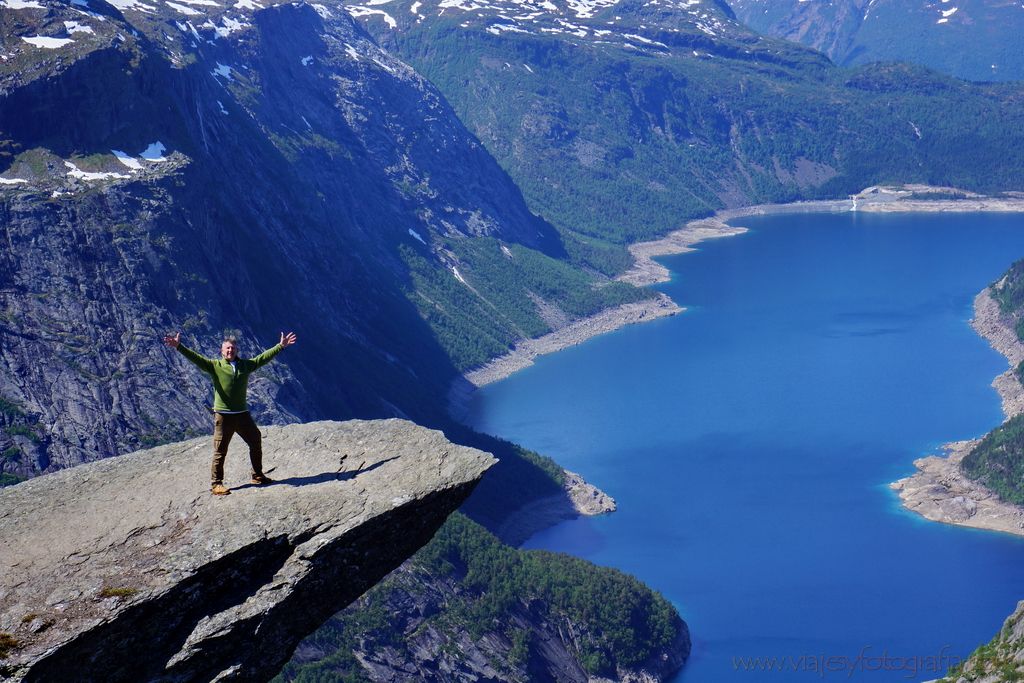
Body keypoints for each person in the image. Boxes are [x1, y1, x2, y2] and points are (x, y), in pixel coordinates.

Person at [163, 331, 298, 495]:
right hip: (223, 415)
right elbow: (196, 359)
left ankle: (257, 475)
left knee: (255, 440)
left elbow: (262, 358)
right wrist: (178, 346)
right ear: (221, 351)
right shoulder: (214, 366)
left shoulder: (245, 365)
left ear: (236, 350)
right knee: (220, 450)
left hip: (242, 414)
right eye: (227, 349)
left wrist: (280, 346)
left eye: (232, 348)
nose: (230, 351)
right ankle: (216, 484)